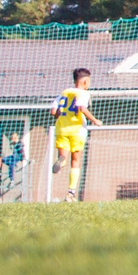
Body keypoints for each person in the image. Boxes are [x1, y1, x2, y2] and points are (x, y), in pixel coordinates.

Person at [50, 69, 96, 201]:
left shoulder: (64, 93)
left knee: (63, 156)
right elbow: (82, 108)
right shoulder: (84, 93)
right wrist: (95, 120)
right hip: (77, 130)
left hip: (62, 129)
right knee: (75, 161)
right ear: (85, 81)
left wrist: (63, 115)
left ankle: (61, 160)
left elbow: (54, 111)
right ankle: (70, 193)